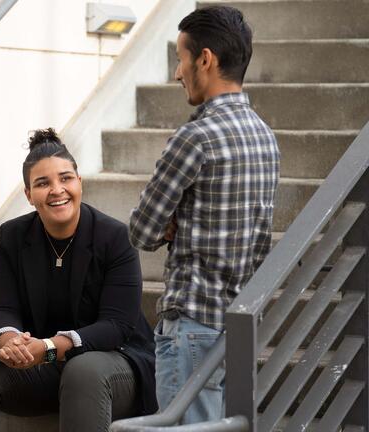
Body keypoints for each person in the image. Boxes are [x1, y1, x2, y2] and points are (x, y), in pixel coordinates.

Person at [128, 6, 280, 424]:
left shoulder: (195, 137)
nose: (178, 73)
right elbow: (258, 237)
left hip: (193, 324)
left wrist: (174, 225)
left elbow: (141, 230)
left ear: (206, 60)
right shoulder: (266, 138)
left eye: (181, 58)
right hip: (239, 327)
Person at [0, 128, 156, 432]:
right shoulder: (13, 236)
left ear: (79, 183)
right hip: (42, 368)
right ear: (28, 195)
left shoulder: (113, 237)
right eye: (43, 183)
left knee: (83, 369)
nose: (57, 189)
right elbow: (0, 309)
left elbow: (117, 326)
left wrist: (48, 346)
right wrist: (12, 344)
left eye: (65, 178)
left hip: (113, 367)